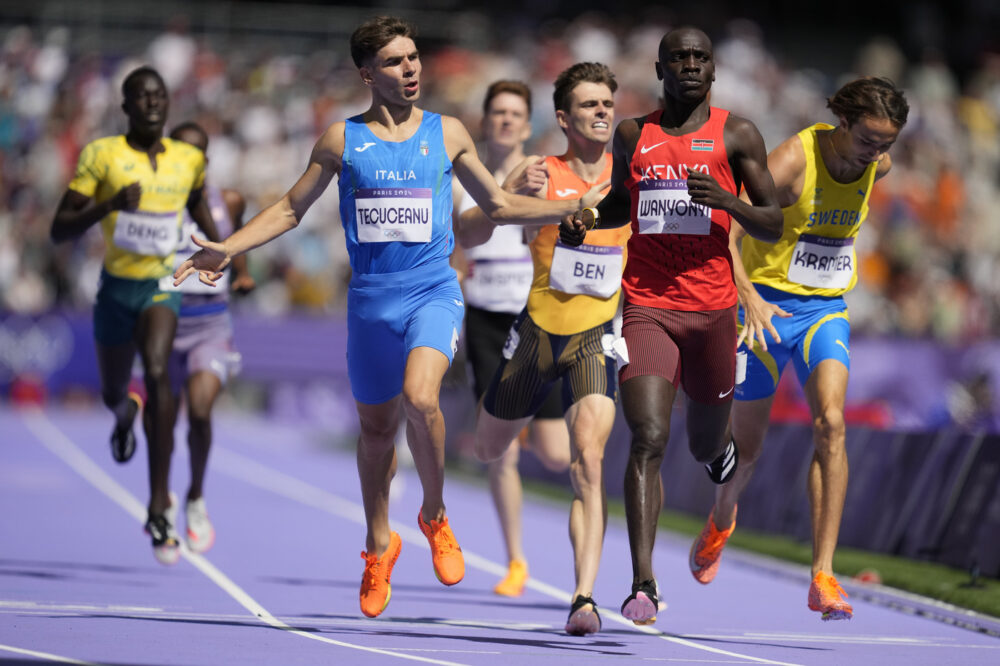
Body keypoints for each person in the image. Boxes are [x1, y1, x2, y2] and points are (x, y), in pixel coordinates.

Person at [173, 16, 601, 619]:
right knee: (375, 434)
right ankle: (379, 544)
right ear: (367, 73)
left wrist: (568, 205)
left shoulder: (447, 133)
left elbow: (499, 204)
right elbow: (293, 209)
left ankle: (434, 514)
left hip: (432, 289)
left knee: (421, 398)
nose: (412, 69)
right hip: (371, 303)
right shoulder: (341, 140)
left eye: (415, 57)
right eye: (397, 62)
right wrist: (228, 247)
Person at [560, 26, 783, 626]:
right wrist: (585, 218)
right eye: (679, 57)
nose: (690, 65)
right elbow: (619, 204)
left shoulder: (738, 134)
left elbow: (772, 223)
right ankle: (643, 583)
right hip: (647, 304)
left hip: (712, 312)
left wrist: (727, 202)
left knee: (704, 443)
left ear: (713, 69)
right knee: (648, 438)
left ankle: (721, 454)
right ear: (660, 68)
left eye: (700, 57)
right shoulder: (635, 133)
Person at [688, 77, 909, 621]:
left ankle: (824, 575)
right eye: (868, 140)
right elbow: (726, 228)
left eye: (887, 144)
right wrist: (744, 294)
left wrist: (874, 158)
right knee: (749, 448)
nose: (877, 154)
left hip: (822, 310)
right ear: (843, 123)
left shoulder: (876, 166)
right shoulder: (793, 159)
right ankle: (721, 518)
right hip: (762, 311)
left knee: (831, 423)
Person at [471, 62, 626, 636]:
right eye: (589, 105)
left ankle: (583, 596)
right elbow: (472, 231)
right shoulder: (539, 173)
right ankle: (507, 423)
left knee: (588, 460)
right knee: (489, 450)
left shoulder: (630, 177)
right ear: (564, 118)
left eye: (607, 102)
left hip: (596, 335)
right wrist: (509, 194)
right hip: (536, 334)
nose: (603, 111)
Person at [51, 66, 220, 565]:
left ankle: (158, 504)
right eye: (141, 97)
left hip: (162, 285)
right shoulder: (102, 155)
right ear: (125, 107)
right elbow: (60, 229)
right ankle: (125, 414)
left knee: (160, 369)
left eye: (160, 96)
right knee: (113, 392)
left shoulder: (189, 159)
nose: (152, 104)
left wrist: (223, 251)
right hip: (115, 290)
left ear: (168, 105)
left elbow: (200, 209)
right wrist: (105, 207)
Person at [455, 80, 571, 598]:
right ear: (485, 121)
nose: (504, 120)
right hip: (484, 319)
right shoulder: (460, 177)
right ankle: (516, 561)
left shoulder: (545, 175)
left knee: (555, 453)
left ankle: (532, 424)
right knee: (498, 453)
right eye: (497, 112)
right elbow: (454, 241)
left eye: (514, 113)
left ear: (527, 125)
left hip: (534, 316)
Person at [163, 121, 255, 554]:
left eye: (196, 153)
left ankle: (196, 496)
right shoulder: (151, 202)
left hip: (211, 326)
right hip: (161, 325)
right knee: (161, 423)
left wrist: (244, 275)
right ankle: (160, 498)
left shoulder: (229, 200)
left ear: (206, 160)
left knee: (199, 412)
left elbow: (240, 242)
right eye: (180, 151)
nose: (189, 159)